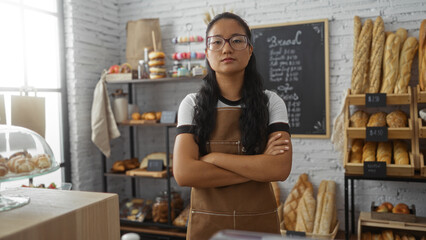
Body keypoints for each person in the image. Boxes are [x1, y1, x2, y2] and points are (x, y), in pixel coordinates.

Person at [173, 12, 292, 240]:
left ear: (250, 50)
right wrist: (258, 168)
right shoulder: (192, 104)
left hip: (259, 226)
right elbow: (184, 173)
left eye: (236, 40)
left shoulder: (272, 102)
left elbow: (279, 169)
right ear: (207, 53)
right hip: (207, 227)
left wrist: (213, 159)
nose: (226, 49)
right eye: (216, 42)